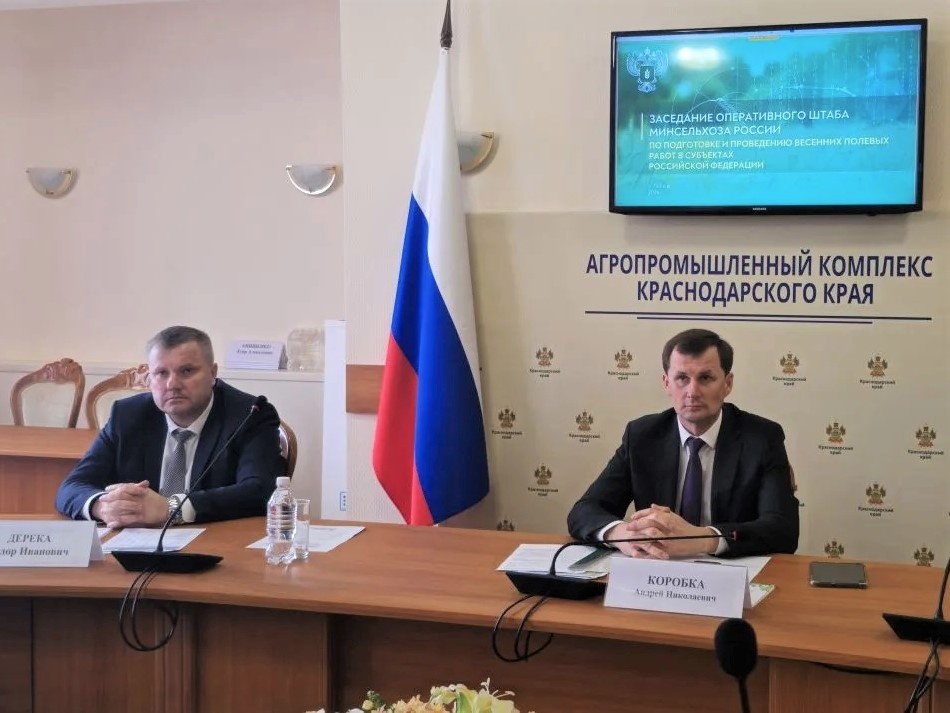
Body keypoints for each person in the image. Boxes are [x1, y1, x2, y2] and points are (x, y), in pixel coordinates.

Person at [567, 328, 798, 559]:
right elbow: (584, 511)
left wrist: (703, 539)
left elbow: (782, 529)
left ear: (727, 383)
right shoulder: (641, 436)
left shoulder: (762, 438)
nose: (692, 392)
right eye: (682, 378)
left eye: (705, 378)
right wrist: (624, 535)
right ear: (667, 383)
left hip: (732, 572)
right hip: (657, 568)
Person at [56, 326, 284, 528]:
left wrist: (171, 508)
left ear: (213, 373)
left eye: (187, 371)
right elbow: (72, 486)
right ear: (150, 377)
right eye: (161, 373)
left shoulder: (250, 414)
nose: (172, 384)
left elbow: (260, 490)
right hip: (136, 546)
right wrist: (102, 506)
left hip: (216, 545)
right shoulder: (127, 415)